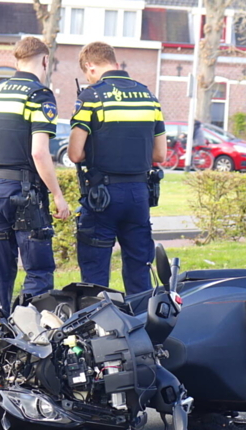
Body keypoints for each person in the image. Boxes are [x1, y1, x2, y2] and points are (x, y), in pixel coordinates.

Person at [0, 36, 70, 313]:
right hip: (24, 195)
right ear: (45, 60)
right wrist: (59, 196)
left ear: (17, 59)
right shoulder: (40, 95)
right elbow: (39, 153)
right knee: (39, 269)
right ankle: (29, 333)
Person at [67, 42, 167, 295]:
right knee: (139, 270)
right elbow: (160, 154)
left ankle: (100, 328)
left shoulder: (91, 96)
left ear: (90, 67)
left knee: (96, 276)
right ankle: (142, 325)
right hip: (139, 194)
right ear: (114, 62)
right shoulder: (149, 97)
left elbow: (75, 153)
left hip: (103, 196)